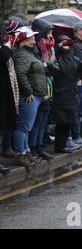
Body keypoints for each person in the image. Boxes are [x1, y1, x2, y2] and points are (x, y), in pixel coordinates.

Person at [12, 26, 49, 167]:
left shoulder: (28, 54)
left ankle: (26, 152)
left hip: (35, 96)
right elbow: (20, 74)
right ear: (23, 39)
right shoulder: (22, 55)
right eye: (31, 38)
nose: (34, 41)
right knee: (23, 127)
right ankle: (20, 154)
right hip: (29, 97)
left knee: (26, 127)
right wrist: (28, 92)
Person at [49, 36, 82, 153]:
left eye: (68, 44)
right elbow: (51, 66)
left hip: (71, 94)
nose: (67, 46)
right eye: (64, 44)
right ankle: (59, 146)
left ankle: (63, 145)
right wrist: (58, 47)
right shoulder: (57, 59)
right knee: (61, 122)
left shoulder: (75, 59)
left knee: (68, 122)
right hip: (60, 94)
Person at [28, 18, 56, 161]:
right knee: (36, 121)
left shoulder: (46, 47)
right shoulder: (35, 47)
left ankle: (38, 147)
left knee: (43, 121)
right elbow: (38, 67)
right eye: (49, 32)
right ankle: (32, 147)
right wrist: (46, 64)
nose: (51, 35)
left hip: (46, 86)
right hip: (39, 88)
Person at [1, 20, 23, 161]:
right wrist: (8, 47)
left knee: (9, 117)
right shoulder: (6, 44)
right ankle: (6, 147)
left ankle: (7, 146)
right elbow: (4, 55)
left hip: (8, 86)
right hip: (3, 86)